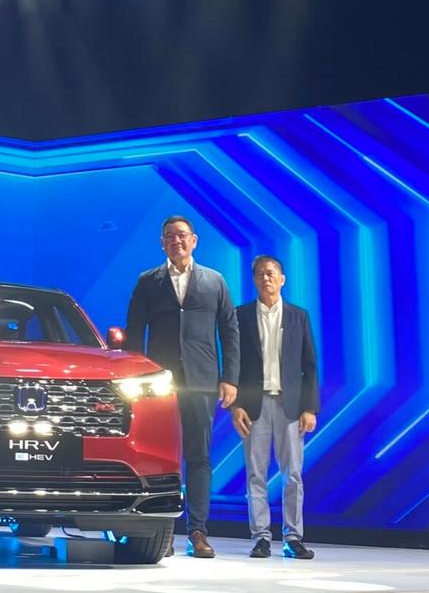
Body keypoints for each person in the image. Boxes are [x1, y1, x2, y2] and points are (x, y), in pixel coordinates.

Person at [124, 215, 241, 558]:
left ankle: (197, 531)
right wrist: (134, 377)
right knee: (157, 457)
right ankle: (160, 531)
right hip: (158, 385)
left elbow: (229, 332)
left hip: (202, 382)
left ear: (194, 240)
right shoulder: (148, 281)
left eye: (182, 235)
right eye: (170, 236)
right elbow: (134, 333)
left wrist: (230, 378)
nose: (176, 241)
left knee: (198, 456)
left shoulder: (214, 280)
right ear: (162, 243)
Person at [231, 254, 319, 559]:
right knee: (255, 474)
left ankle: (293, 537)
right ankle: (261, 537)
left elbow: (310, 365)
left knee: (292, 474)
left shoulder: (298, 316)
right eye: (259, 273)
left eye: (270, 273)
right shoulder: (240, 316)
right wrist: (236, 405)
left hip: (290, 405)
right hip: (253, 406)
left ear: (282, 280)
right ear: (253, 280)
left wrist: (310, 408)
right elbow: (233, 363)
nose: (265, 278)